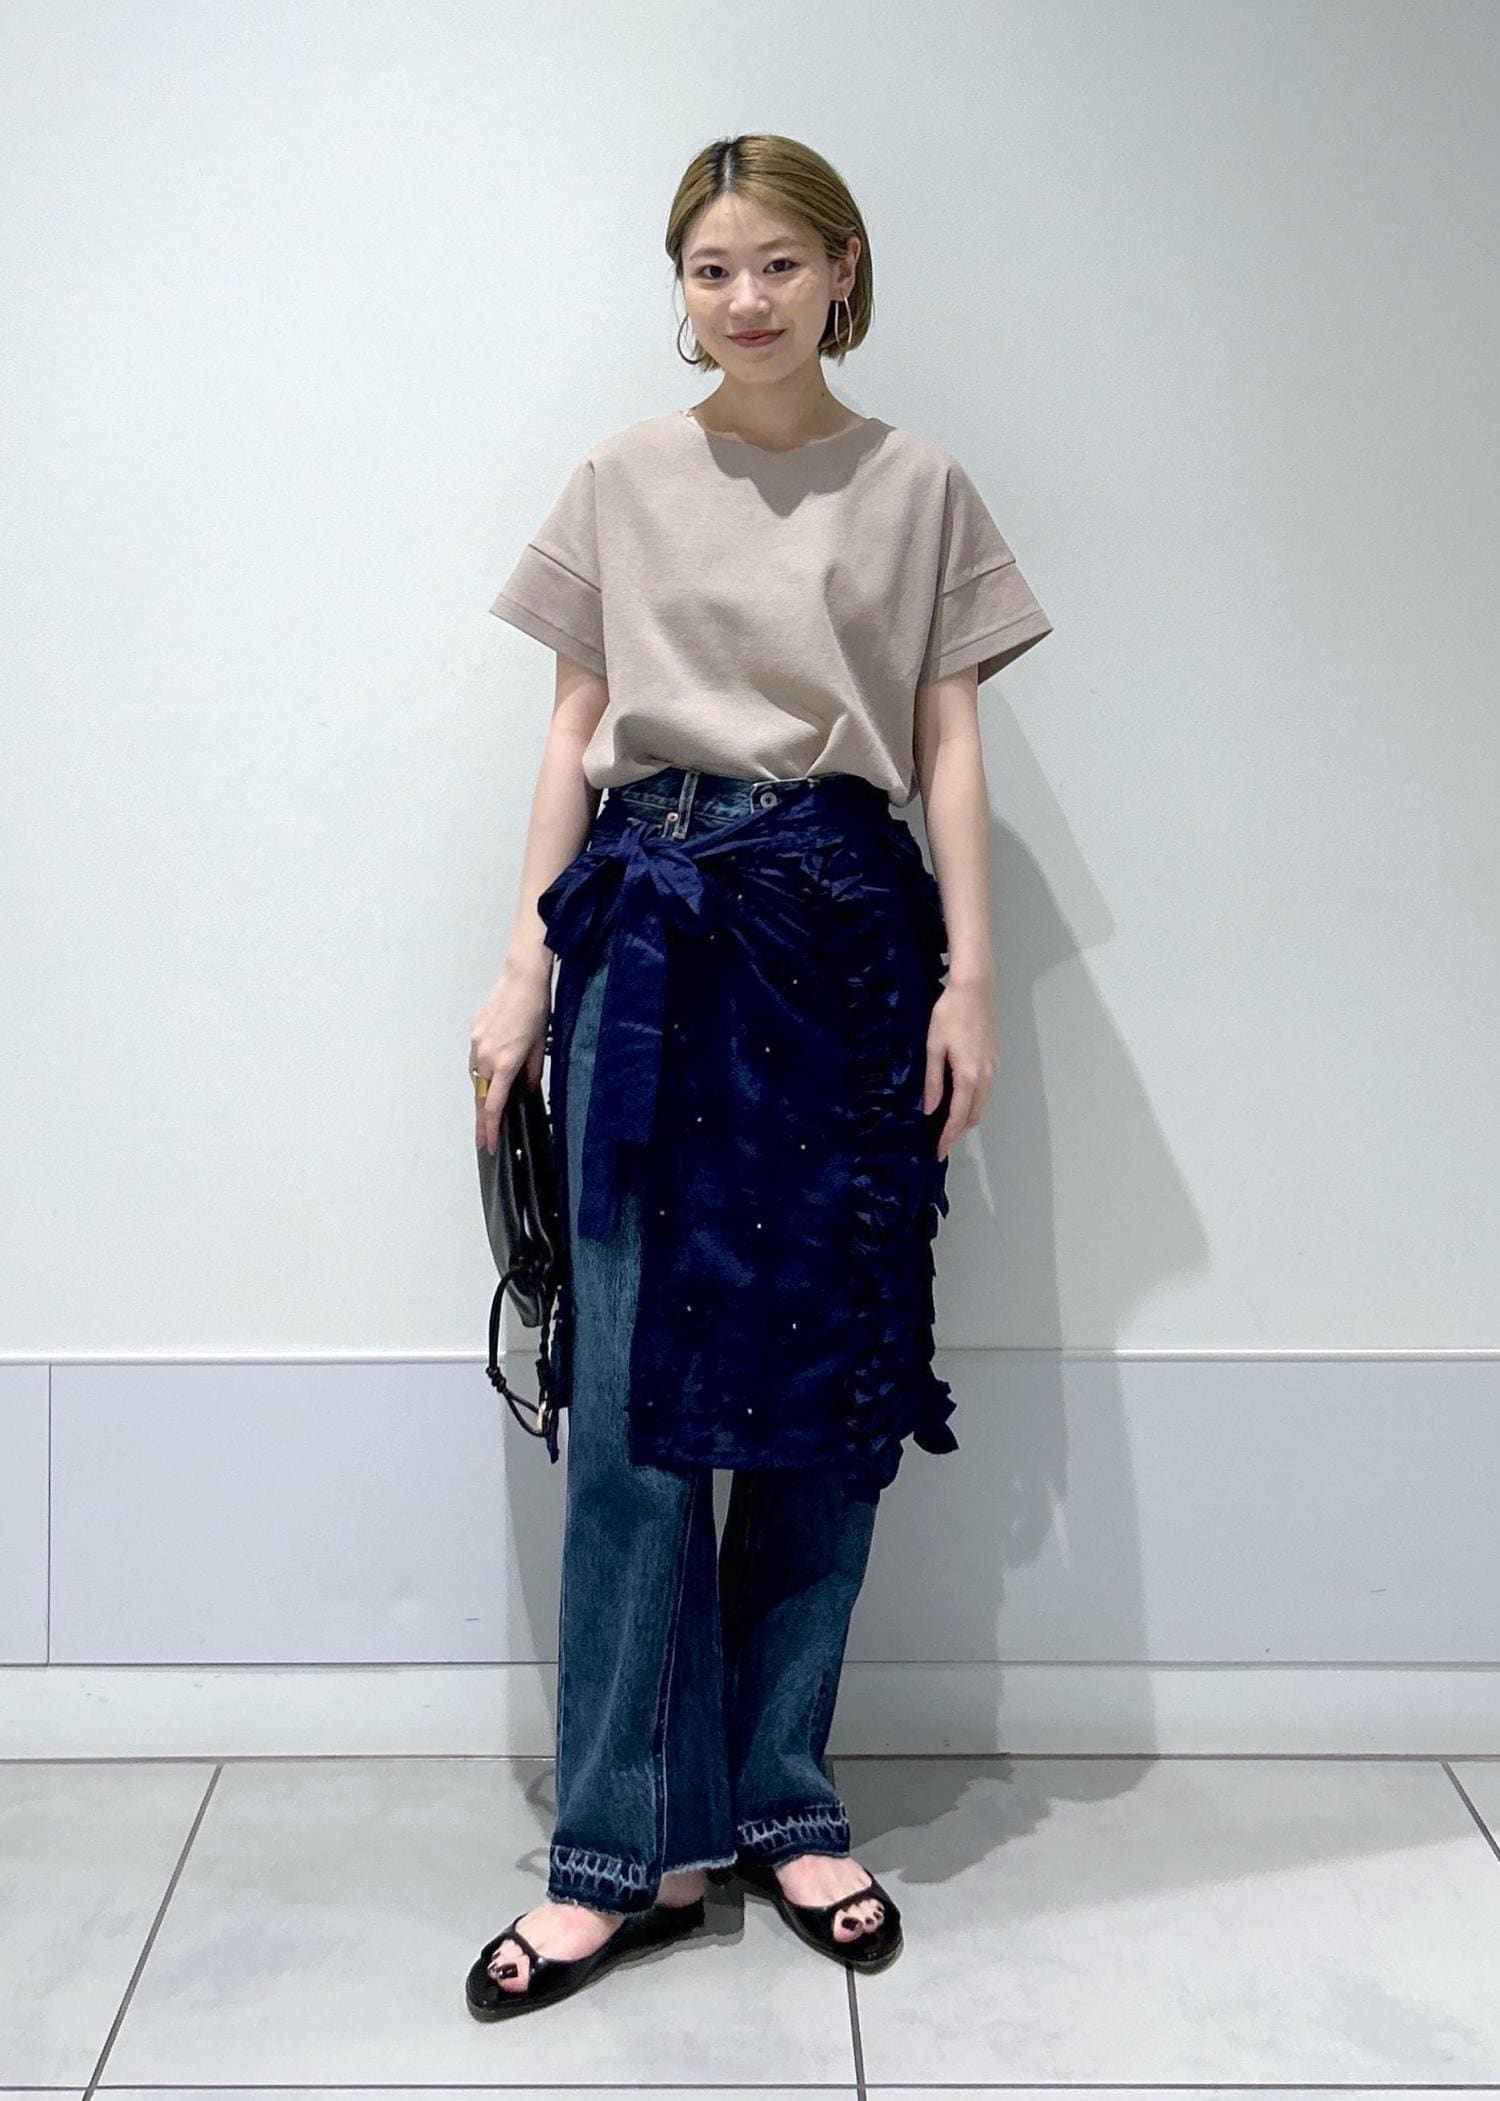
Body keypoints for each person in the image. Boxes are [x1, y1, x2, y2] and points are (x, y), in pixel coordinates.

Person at [463, 133, 1053, 2021]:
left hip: (844, 940)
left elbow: (948, 745)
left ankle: (787, 1796)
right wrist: (522, 962)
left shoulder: (920, 485)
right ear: (682, 285)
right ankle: (623, 1846)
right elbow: (571, 726)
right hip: (647, 936)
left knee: (818, 1395)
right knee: (634, 1405)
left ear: (843, 267)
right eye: (712, 268)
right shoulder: (622, 480)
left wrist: (973, 978)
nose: (745, 299)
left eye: (780, 263)